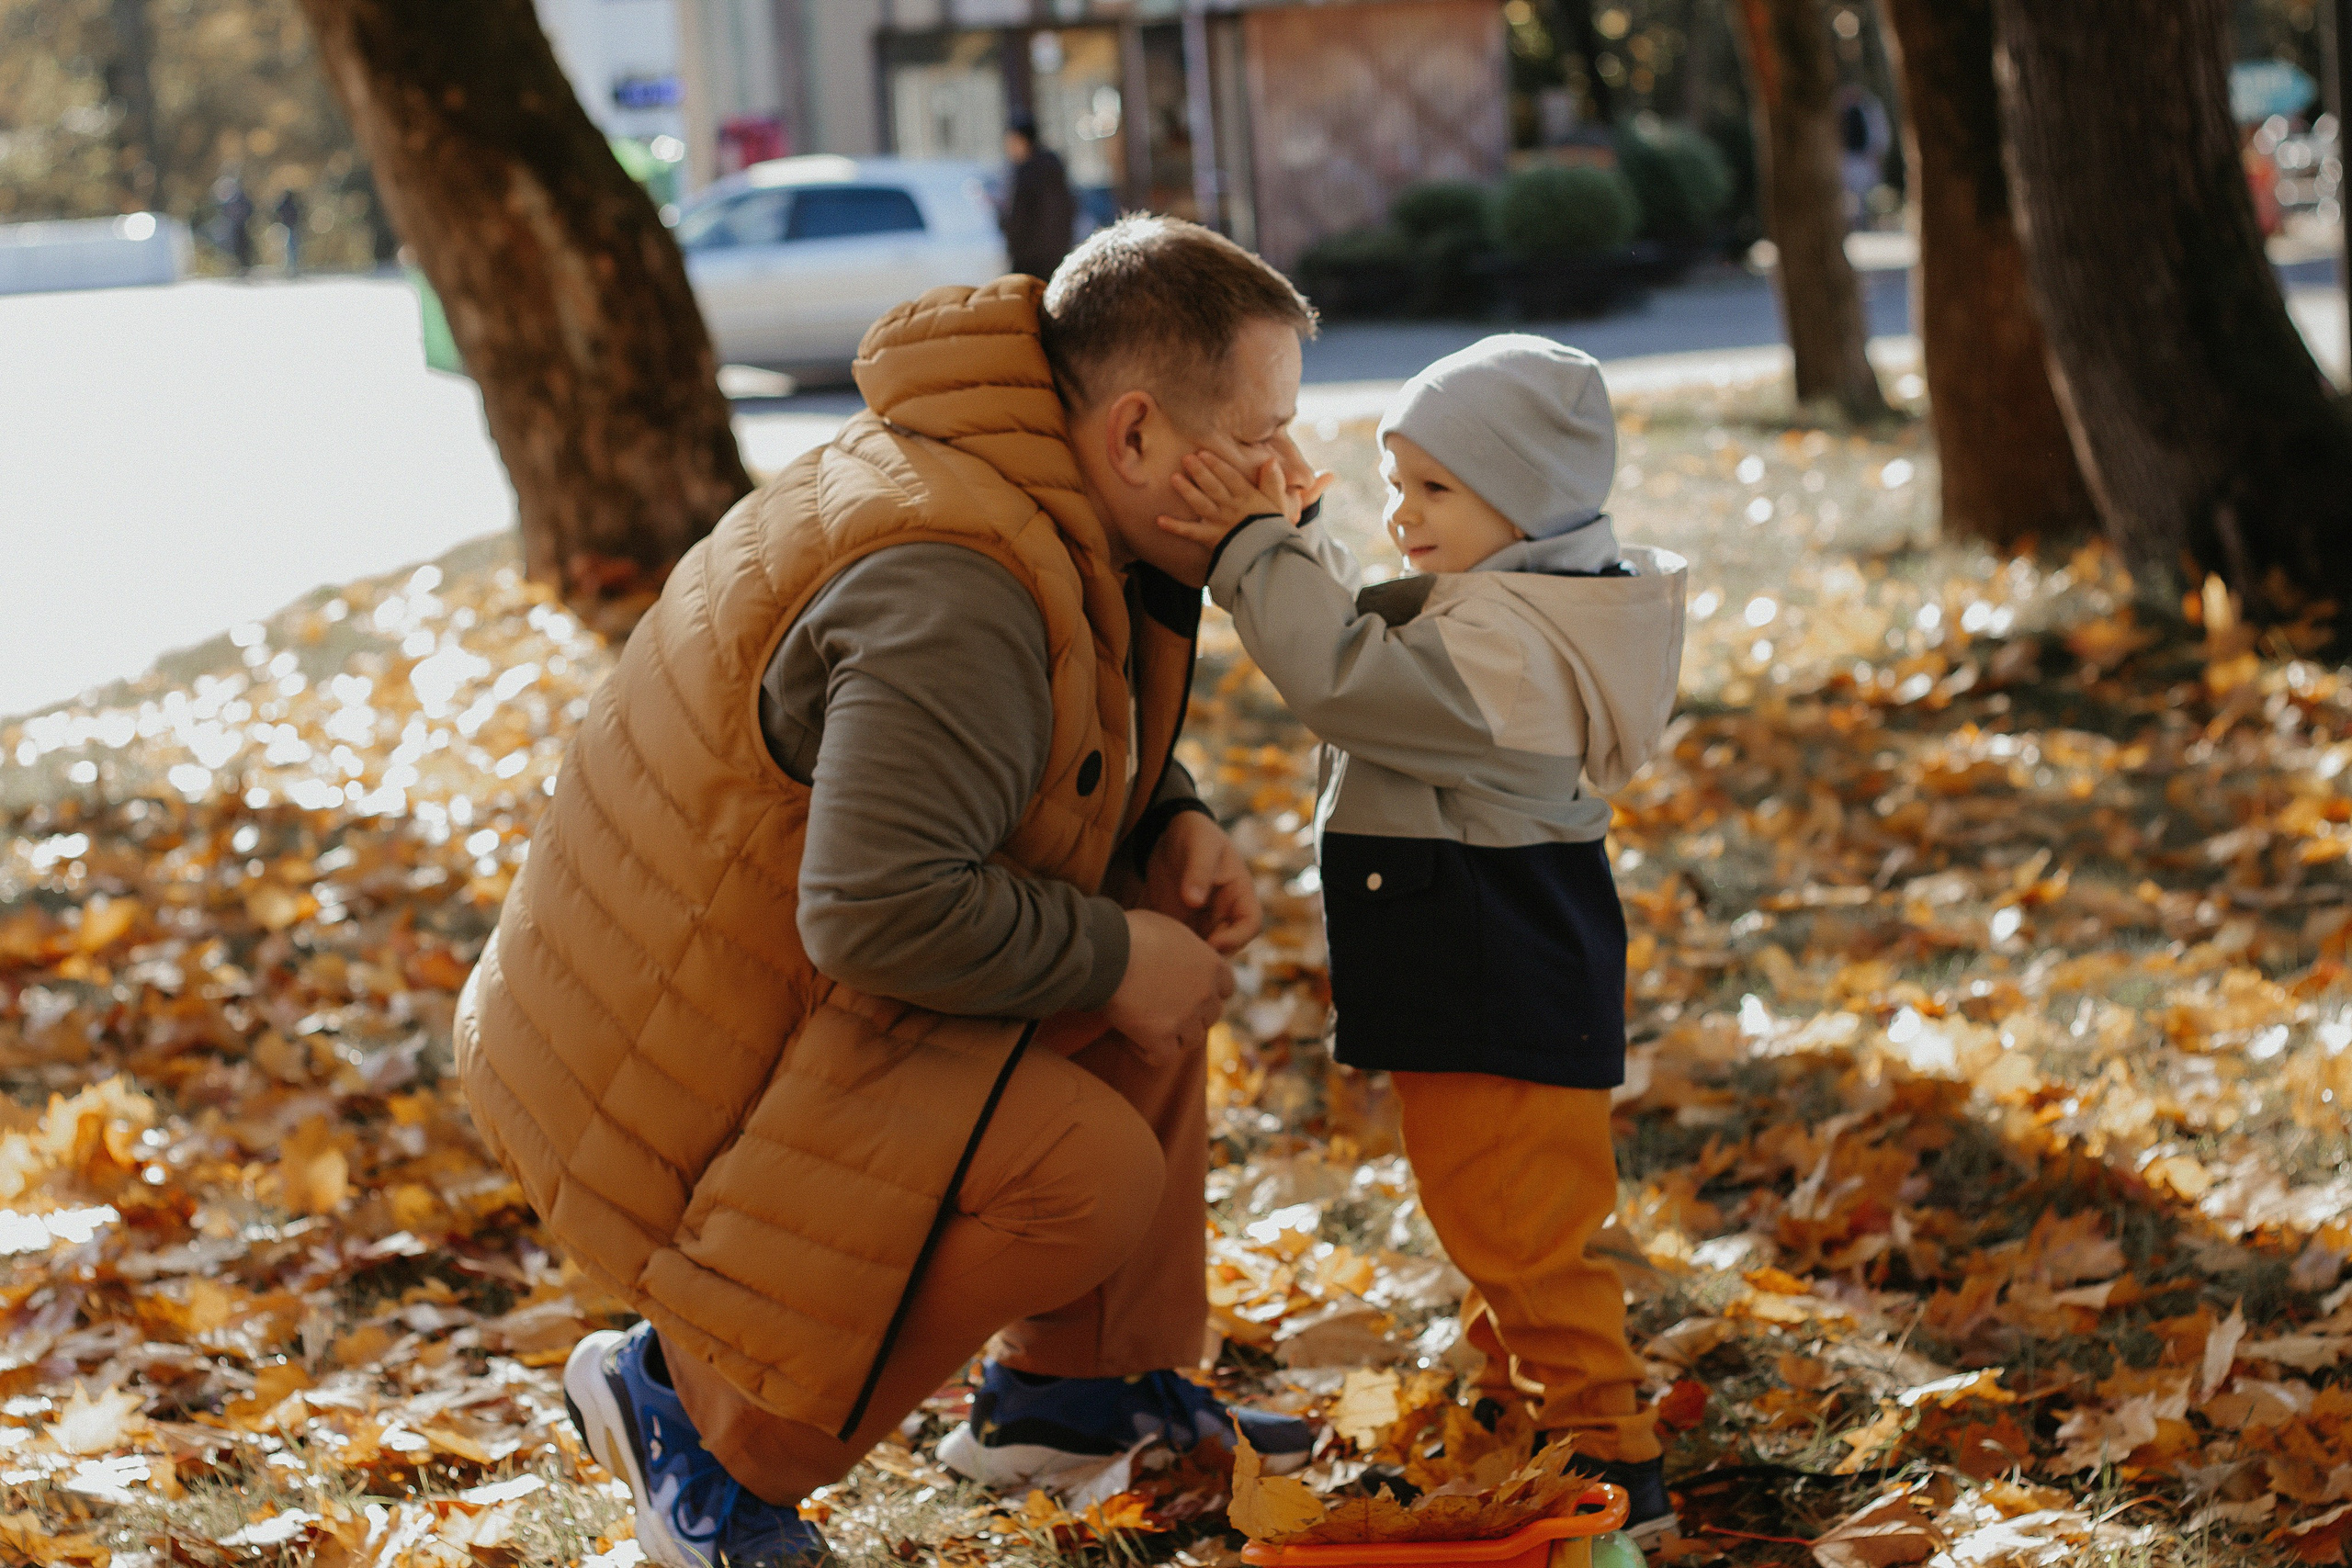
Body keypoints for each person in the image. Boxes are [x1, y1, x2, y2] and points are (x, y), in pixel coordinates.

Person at [455, 215, 1320, 1568]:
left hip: (745, 992)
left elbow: (1036, 732)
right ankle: (696, 1420)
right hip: (669, 1068)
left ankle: (1068, 1395)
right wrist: (1114, 957)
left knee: (1151, 958)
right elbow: (877, 912)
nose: (1291, 475)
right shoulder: (959, 576)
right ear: (1138, 434)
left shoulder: (1025, 488)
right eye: (1263, 437)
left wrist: (1173, 812)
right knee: (1081, 1165)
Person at [1151, 335, 1690, 1546]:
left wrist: (1246, 552)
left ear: (1530, 497)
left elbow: (1348, 674)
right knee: (1502, 1213)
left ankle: (1611, 1453)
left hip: (1489, 963)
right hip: (1491, 955)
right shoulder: (1520, 599)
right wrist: (1298, 534)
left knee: (1517, 1219)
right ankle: (1517, 1416)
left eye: (1434, 489)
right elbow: (1377, 635)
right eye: (1396, 482)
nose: (1403, 512)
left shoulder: (1512, 641)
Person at [1001, 108, 1079, 281]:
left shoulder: (1029, 173)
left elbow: (1021, 219)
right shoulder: (1052, 168)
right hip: (1055, 254)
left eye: (1013, 142)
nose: (1009, 149)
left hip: (1033, 259)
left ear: (1024, 141)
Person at [273, 187, 304, 276]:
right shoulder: (289, 204)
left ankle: (291, 268)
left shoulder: (287, 204)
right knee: (289, 249)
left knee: (291, 249)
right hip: (287, 228)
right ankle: (289, 269)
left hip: (289, 228)